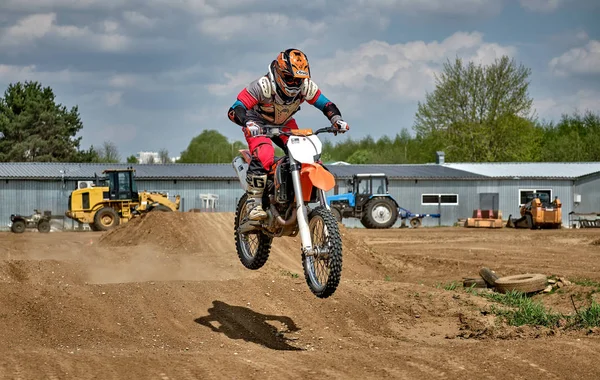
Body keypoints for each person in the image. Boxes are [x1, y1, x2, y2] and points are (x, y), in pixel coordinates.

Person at [227, 48, 349, 221]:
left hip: (285, 122)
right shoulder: (263, 85)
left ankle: (295, 197)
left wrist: (336, 119)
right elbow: (235, 108)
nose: (294, 83)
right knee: (265, 154)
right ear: (278, 73)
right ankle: (253, 203)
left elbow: (326, 104)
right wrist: (247, 122)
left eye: (299, 79)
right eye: (290, 78)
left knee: (308, 155)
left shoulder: (306, 86)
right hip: (258, 122)